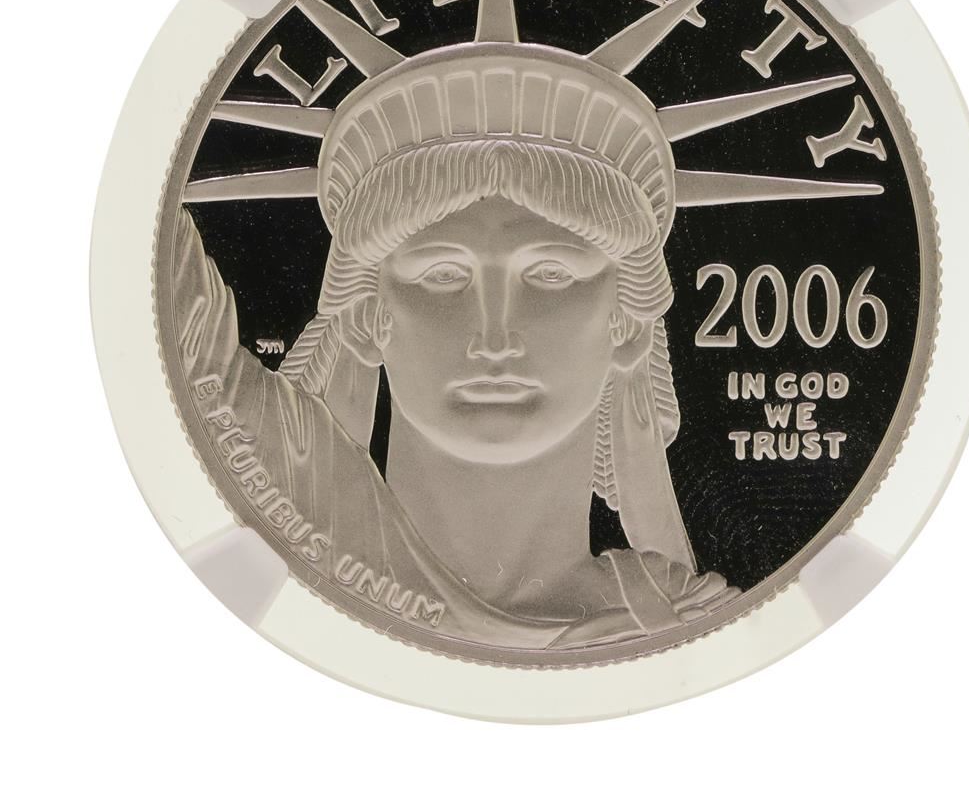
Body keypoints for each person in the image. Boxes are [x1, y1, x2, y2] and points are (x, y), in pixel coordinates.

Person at [173, 47, 739, 652]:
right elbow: (151, 250)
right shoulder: (282, 501)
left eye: (549, 274)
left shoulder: (693, 622)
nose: (494, 336)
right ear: (366, 316)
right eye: (443, 275)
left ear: (626, 322)